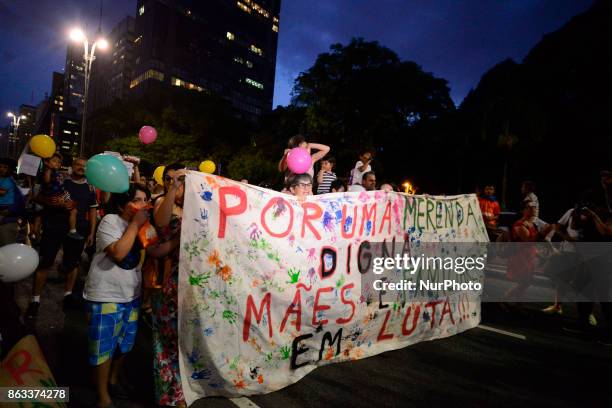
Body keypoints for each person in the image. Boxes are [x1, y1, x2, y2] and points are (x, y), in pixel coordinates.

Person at [83, 185, 150, 408]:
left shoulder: (143, 226)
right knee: (104, 348)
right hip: (106, 294)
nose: (143, 205)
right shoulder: (110, 221)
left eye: (146, 200)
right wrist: (134, 225)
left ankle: (113, 380)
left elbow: (157, 250)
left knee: (124, 344)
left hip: (131, 294)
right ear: (122, 204)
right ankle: (102, 396)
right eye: (138, 200)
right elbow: (119, 252)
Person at [26, 157, 99, 318]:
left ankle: (68, 295)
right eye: (78, 165)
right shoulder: (59, 179)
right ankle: (35, 300)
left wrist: (92, 232)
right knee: (45, 262)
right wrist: (50, 202)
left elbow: (93, 211)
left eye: (84, 166)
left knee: (73, 263)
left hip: (78, 230)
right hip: (54, 226)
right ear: (72, 166)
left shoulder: (91, 187)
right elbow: (35, 197)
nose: (81, 168)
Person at [151, 163, 187, 407]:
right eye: (170, 179)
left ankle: (185, 392)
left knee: (188, 343)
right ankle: (170, 396)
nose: (174, 183)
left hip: (194, 285)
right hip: (172, 281)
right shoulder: (163, 203)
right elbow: (162, 224)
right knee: (169, 342)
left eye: (181, 180)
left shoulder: (198, 207)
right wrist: (173, 190)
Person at [504, 201, 553, 302]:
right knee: (525, 282)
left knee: (525, 281)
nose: (533, 209)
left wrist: (538, 253)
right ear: (523, 210)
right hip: (520, 257)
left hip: (528, 256)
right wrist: (543, 233)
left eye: (534, 207)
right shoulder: (519, 224)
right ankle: (504, 299)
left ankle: (518, 304)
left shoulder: (530, 224)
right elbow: (528, 241)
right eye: (529, 207)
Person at [39, 152, 80, 240]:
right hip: (54, 195)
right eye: (54, 161)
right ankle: (72, 230)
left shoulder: (57, 173)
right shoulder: (48, 171)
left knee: (74, 209)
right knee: (68, 208)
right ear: (46, 162)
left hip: (62, 193)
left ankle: (73, 230)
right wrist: (48, 169)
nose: (57, 163)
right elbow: (46, 180)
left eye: (59, 162)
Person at [0, 157, 25, 246]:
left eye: (5, 167)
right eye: (0, 167)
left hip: (7, 219)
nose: (2, 169)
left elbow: (3, 192)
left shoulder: (9, 181)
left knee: (5, 247)